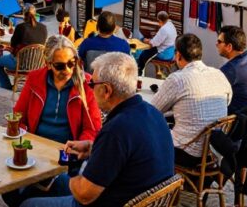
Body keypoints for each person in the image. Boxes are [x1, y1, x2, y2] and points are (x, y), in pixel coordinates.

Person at [21, 52, 175, 207]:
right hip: (140, 197)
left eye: (92, 85)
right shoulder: (153, 113)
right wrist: (94, 148)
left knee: (29, 203)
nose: (90, 89)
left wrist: (72, 169)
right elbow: (128, 153)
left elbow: (84, 195)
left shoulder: (117, 129)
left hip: (106, 200)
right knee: (45, 184)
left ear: (106, 90)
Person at [2, 36, 102, 207]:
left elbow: (92, 129)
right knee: (7, 189)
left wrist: (77, 146)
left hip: (67, 157)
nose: (68, 70)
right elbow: (18, 117)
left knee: (47, 189)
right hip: (35, 151)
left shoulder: (86, 84)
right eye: (60, 66)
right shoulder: (35, 79)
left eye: (72, 63)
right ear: (48, 64)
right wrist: (26, 140)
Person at [151, 34, 233, 168]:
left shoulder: (178, 79)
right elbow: (227, 102)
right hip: (214, 151)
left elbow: (152, 110)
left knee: (146, 129)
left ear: (178, 55)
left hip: (188, 153)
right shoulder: (219, 74)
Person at [0, 5, 48, 90]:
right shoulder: (43, 28)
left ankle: (6, 86)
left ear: (24, 15)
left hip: (19, 64)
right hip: (38, 65)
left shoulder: (21, 27)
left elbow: (13, 44)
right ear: (35, 14)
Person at [135, 11, 176, 75]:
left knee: (143, 54)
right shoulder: (171, 24)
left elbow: (154, 43)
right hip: (170, 51)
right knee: (146, 49)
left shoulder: (164, 29)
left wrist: (145, 40)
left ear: (159, 20)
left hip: (164, 53)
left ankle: (139, 71)